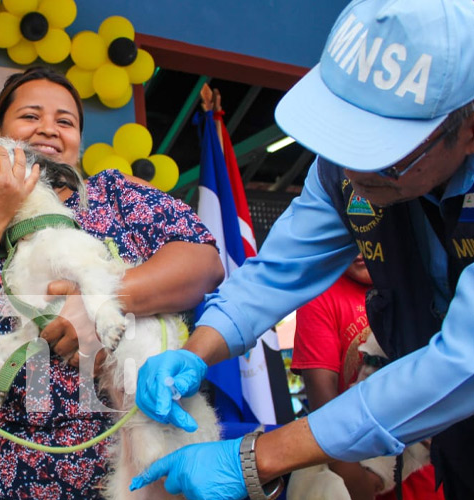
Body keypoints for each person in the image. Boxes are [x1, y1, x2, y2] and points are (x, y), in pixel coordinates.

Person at [130, 0, 474, 499]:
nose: (354, 171)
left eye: (383, 151)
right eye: (344, 135)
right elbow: (277, 271)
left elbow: (462, 363)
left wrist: (257, 458)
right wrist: (198, 350)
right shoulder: (348, 174)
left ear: (466, 128)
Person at [0, 66, 224, 499]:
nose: (49, 129)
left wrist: (99, 304)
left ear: (79, 141)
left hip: (122, 473)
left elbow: (203, 263)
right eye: (30, 116)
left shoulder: (118, 196)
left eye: (65, 121)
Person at [290, 255, 442, 500]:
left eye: (368, 235)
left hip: (437, 474)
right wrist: (355, 482)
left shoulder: (424, 280)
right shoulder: (321, 296)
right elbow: (324, 407)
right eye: (350, 235)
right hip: (365, 476)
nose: (360, 251)